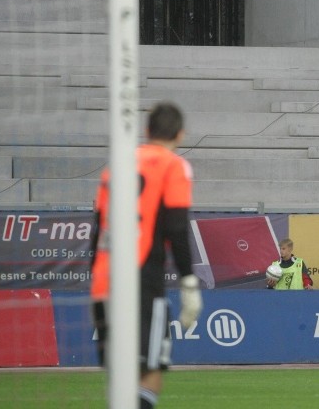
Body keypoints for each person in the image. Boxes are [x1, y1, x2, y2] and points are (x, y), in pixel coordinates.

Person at [90, 102, 202, 409]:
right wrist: (188, 282)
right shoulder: (172, 165)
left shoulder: (115, 166)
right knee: (150, 369)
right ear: (180, 134)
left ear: (146, 131)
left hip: (104, 280)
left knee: (120, 374)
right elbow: (177, 229)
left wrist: (95, 285)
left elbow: (96, 230)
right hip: (141, 278)